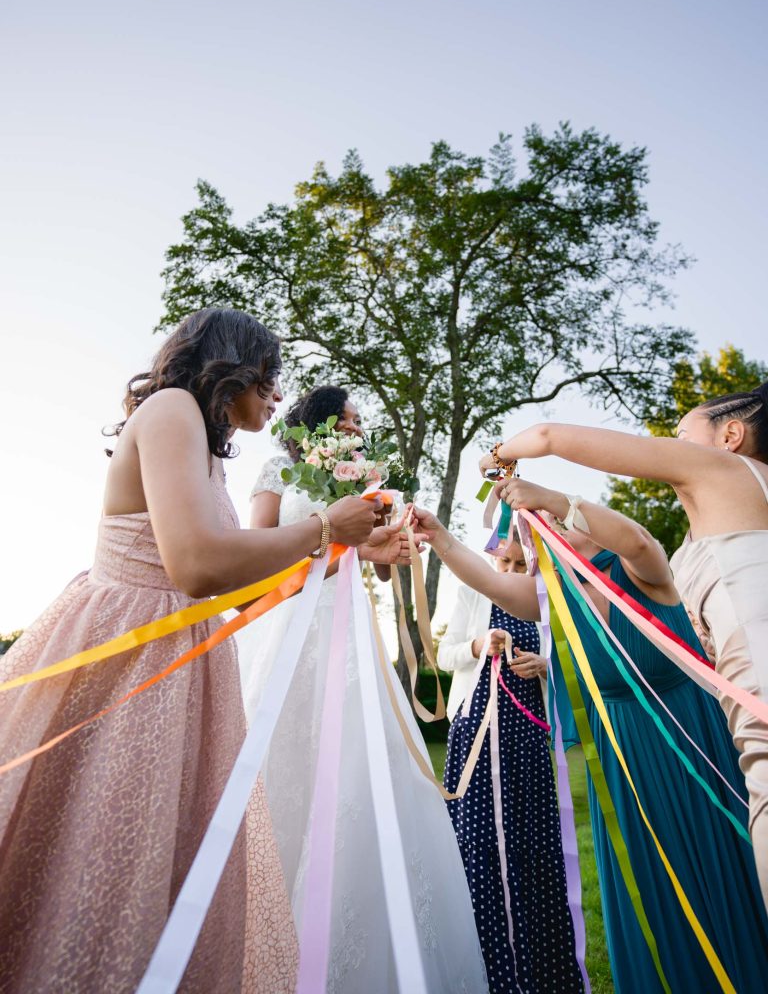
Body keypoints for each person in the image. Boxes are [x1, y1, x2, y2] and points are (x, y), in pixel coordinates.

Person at [0, 308, 386, 994]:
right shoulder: (172, 407)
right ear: (229, 366)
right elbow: (196, 564)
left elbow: (241, 591)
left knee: (165, 862)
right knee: (103, 852)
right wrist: (324, 524)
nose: (274, 393)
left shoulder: (202, 446)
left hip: (183, 669)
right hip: (128, 657)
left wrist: (344, 554)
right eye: (267, 374)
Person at [236, 385, 490, 994]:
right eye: (349, 419)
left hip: (348, 629)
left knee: (361, 762)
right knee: (276, 765)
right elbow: (258, 557)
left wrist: (392, 544)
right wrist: (329, 538)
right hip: (284, 627)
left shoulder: (364, 476)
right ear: (319, 423)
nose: (357, 428)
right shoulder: (278, 467)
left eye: (358, 421)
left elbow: (379, 565)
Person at [478, 383, 768, 909]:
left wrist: (501, 457)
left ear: (730, 436)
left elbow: (548, 435)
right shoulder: (724, 515)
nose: (671, 444)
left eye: (681, 435)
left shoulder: (725, 472)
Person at [509, 480, 768, 992]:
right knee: (651, 882)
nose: (559, 530)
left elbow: (640, 541)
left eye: (567, 521)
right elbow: (503, 591)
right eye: (552, 526)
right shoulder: (561, 598)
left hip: (689, 732)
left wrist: (550, 497)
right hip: (621, 750)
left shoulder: (641, 571)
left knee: (718, 863)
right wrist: (442, 542)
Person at [438, 535, 579, 994]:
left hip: (527, 736)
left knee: (533, 845)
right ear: (492, 557)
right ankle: (485, 965)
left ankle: (543, 969)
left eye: (522, 564)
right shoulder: (471, 588)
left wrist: (545, 665)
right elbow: (443, 654)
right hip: (475, 729)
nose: (512, 571)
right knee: (479, 843)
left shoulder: (543, 595)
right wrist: (478, 645)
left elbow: (570, 660)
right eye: (506, 561)